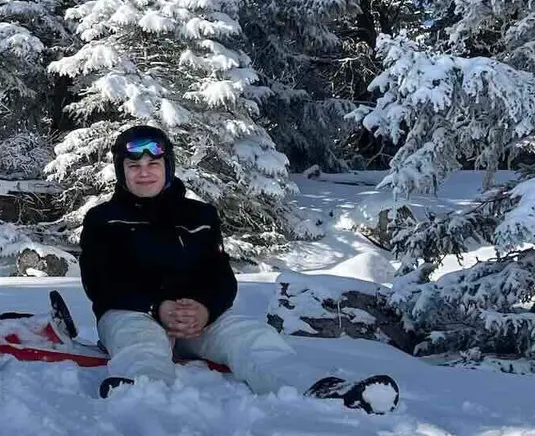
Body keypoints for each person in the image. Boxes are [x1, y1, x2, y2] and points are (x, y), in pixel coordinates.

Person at [79, 124, 397, 413]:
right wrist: (155, 307)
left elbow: (221, 278)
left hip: (195, 320)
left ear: (168, 168)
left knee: (252, 336)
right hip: (131, 314)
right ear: (122, 172)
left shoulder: (199, 216)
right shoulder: (102, 219)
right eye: (134, 166)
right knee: (141, 340)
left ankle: (322, 390)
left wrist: (205, 309)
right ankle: (143, 393)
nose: (144, 173)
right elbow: (101, 282)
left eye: (153, 165)